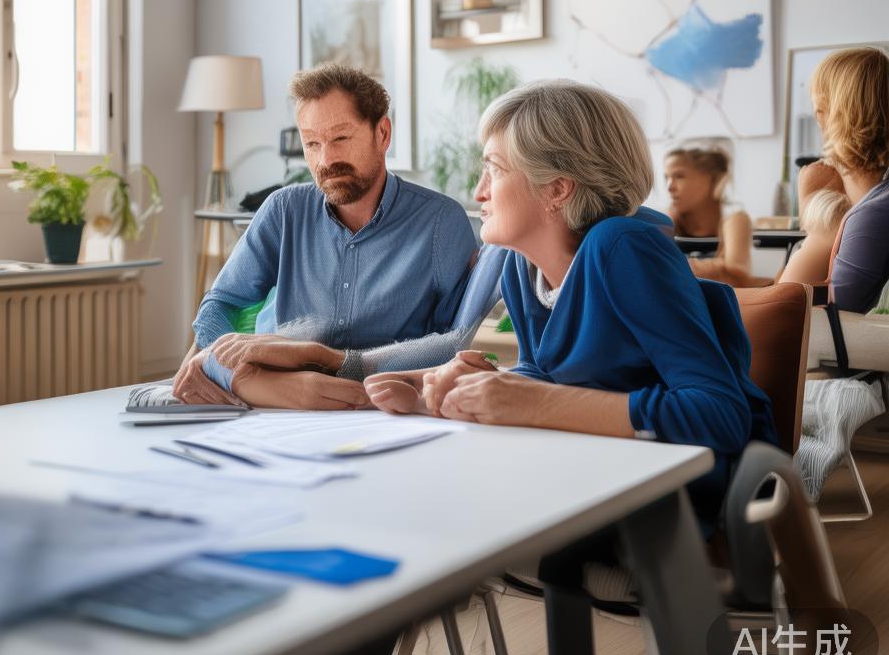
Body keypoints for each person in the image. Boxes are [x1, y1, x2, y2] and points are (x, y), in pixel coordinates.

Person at [366, 80, 777, 529]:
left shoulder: (623, 248)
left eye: (495, 170)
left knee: (437, 508)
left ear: (558, 189)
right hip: (591, 472)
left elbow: (719, 416)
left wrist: (532, 402)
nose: (479, 190)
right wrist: (456, 389)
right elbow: (548, 378)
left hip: (680, 493)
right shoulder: (519, 269)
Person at [173, 63, 479, 409]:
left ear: (382, 134)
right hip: (275, 401)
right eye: (312, 143)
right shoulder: (284, 210)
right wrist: (216, 359)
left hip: (378, 407)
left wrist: (341, 361)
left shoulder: (441, 223)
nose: (326, 159)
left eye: (340, 138)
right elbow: (222, 302)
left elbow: (453, 346)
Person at [778, 46, 889, 312]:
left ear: (825, 114)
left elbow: (789, 312)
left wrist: (818, 229)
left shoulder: (872, 214)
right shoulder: (870, 202)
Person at [664, 141, 765, 287]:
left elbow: (739, 275)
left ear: (712, 179)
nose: (669, 186)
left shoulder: (735, 220)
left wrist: (674, 266)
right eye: (666, 177)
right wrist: (721, 267)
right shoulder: (666, 221)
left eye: (679, 176)